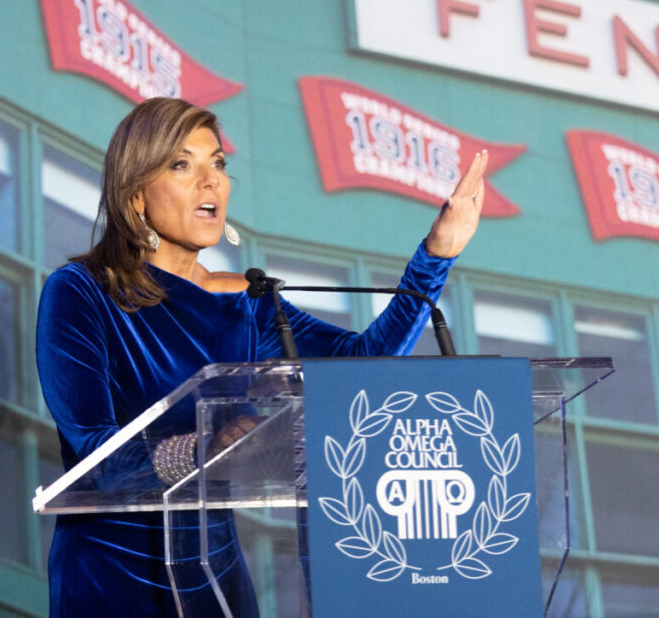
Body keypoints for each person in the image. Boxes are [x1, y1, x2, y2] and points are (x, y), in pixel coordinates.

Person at [36, 97, 488, 616]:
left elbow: (363, 362)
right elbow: (94, 452)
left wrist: (437, 255)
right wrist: (205, 449)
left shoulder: (249, 302)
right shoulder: (82, 291)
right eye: (183, 165)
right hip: (114, 574)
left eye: (219, 164)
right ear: (136, 194)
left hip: (213, 573)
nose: (210, 182)